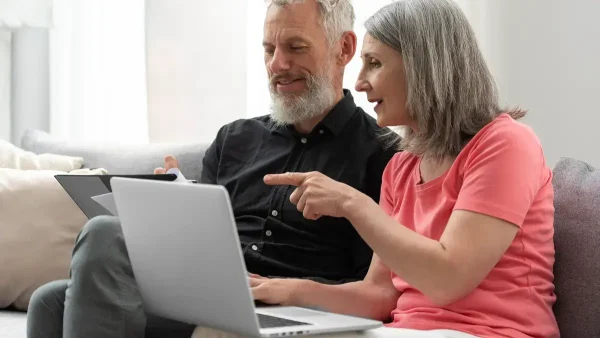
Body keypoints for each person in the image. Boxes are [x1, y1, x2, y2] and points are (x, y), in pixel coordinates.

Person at [26, 1, 397, 337]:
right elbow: (200, 247)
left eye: (295, 48)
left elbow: (379, 287)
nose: (277, 65)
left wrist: (288, 287)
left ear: (344, 49)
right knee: (49, 302)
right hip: (210, 296)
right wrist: (172, 210)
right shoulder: (235, 139)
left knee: (104, 232)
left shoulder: (384, 155)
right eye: (268, 50)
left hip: (297, 308)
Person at [250, 0, 560, 337]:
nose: (359, 83)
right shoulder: (400, 166)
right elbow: (378, 296)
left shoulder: (505, 144)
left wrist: (353, 205)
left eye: (374, 63)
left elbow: (448, 279)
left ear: (424, 66)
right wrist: (286, 291)